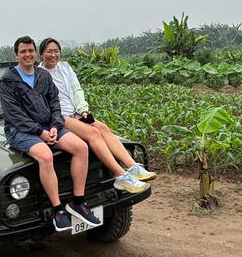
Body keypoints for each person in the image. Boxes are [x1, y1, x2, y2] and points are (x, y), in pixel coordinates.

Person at [0, 36, 101, 232]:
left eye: (30, 51)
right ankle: (58, 210)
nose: (27, 55)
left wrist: (54, 126)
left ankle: (78, 202)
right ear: (16, 55)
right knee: (46, 156)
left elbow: (55, 104)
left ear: (35, 53)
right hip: (20, 130)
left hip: (48, 126)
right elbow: (14, 114)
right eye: (23, 52)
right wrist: (40, 131)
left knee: (81, 147)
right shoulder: (8, 80)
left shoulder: (43, 75)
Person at [38, 37, 155, 193]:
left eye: (56, 51)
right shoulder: (39, 74)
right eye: (49, 52)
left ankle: (133, 167)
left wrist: (82, 110)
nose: (53, 55)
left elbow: (76, 89)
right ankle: (121, 176)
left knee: (102, 127)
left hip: (75, 112)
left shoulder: (65, 68)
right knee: (93, 133)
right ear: (41, 54)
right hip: (60, 116)